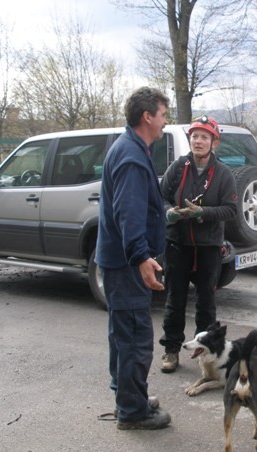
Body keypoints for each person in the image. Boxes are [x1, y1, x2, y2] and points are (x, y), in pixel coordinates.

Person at [95, 86, 172, 431]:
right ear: (147, 117)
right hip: (126, 267)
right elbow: (128, 215)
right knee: (135, 339)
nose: (165, 122)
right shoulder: (130, 156)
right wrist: (142, 258)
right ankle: (132, 411)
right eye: (163, 115)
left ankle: (130, 396)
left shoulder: (132, 148)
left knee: (123, 335)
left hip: (119, 264)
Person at [158, 115, 237, 373]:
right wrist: (169, 211)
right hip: (177, 245)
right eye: (194, 136)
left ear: (214, 142)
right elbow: (159, 197)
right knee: (174, 300)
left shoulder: (223, 173)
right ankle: (171, 350)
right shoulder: (178, 167)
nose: (198, 141)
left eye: (204, 137)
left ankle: (209, 354)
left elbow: (230, 210)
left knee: (206, 304)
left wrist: (202, 214)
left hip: (208, 248)